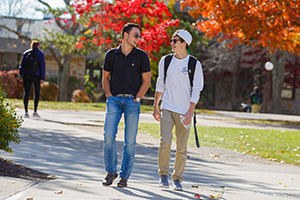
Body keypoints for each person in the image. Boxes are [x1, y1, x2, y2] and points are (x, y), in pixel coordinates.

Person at [153, 29, 204, 191]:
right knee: (165, 141)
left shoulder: (194, 64)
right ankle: (163, 175)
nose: (172, 43)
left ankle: (177, 179)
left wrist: (190, 111)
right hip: (167, 107)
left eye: (175, 41)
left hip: (184, 112)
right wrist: (155, 106)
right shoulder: (166, 61)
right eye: (172, 40)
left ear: (184, 43)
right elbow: (160, 84)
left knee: (181, 147)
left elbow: (196, 90)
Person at [102, 23, 151, 187]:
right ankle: (110, 172)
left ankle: (124, 177)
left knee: (130, 141)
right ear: (125, 35)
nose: (139, 38)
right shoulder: (111, 55)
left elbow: (147, 81)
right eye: (136, 35)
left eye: (139, 35)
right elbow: (105, 78)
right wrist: (109, 96)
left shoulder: (142, 56)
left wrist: (137, 99)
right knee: (108, 136)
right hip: (114, 101)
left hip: (132, 102)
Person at [19, 40, 45, 118]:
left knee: (26, 92)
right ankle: (35, 112)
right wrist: (42, 77)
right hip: (36, 75)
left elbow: (22, 65)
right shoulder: (40, 54)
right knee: (36, 93)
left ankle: (26, 112)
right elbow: (42, 66)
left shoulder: (26, 53)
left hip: (27, 75)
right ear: (38, 46)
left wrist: (21, 75)